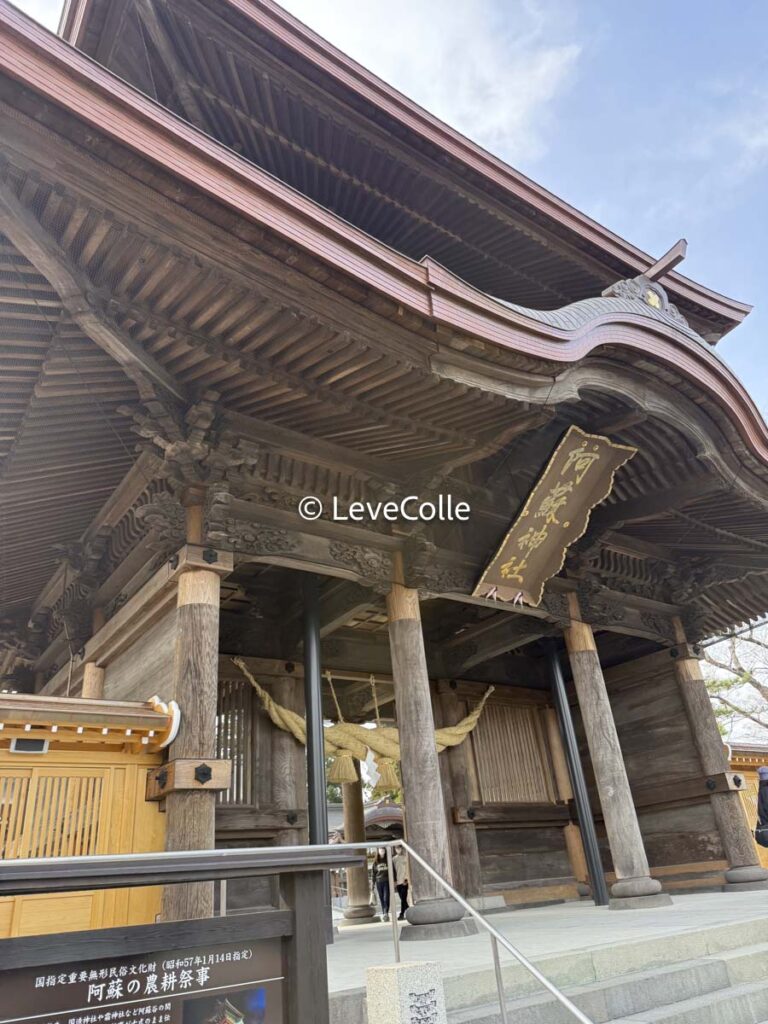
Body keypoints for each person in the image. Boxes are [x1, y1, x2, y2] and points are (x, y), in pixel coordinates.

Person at [371, 848, 390, 921]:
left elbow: (392, 870)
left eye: (383, 850)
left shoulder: (388, 860)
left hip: (386, 881)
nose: (382, 851)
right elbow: (373, 874)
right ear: (378, 851)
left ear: (385, 851)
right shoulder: (375, 861)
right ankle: (384, 913)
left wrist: (394, 880)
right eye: (380, 850)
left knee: (386, 897)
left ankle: (386, 913)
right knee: (381, 898)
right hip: (379, 882)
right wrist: (373, 884)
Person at [392, 844, 409, 920]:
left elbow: (407, 869)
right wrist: (394, 881)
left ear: (401, 849)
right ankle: (409, 910)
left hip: (404, 881)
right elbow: (393, 871)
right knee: (402, 899)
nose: (398, 850)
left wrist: (406, 879)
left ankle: (401, 914)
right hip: (397, 881)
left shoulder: (405, 857)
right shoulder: (393, 859)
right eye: (396, 848)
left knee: (403, 898)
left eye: (399, 848)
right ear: (395, 849)